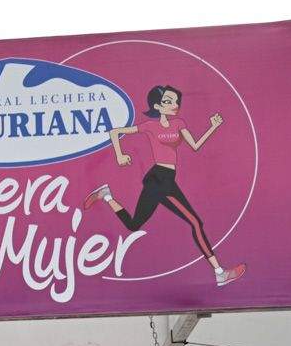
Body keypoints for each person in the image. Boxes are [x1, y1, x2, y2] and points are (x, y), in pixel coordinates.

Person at [85, 84, 246, 287]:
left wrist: (213, 127)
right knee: (195, 223)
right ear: (157, 106)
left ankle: (107, 195)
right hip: (160, 179)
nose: (175, 105)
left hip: (165, 179)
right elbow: (115, 132)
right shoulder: (150, 126)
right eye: (169, 101)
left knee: (134, 225)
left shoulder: (179, 123)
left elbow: (195, 146)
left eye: (176, 102)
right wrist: (120, 155)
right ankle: (220, 273)